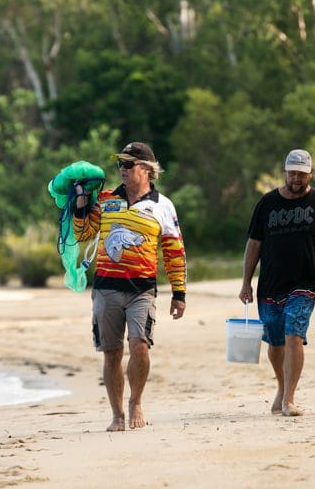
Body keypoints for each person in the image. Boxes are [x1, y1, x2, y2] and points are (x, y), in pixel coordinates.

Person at [73, 141, 187, 431]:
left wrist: (179, 292)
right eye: (119, 165)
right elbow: (84, 233)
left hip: (142, 289)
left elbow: (174, 251)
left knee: (139, 346)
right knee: (111, 353)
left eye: (128, 164)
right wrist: (81, 206)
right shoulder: (107, 198)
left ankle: (136, 401)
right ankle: (116, 415)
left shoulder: (163, 205)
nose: (121, 169)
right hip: (106, 288)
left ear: (147, 169)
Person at [239, 149, 315, 417]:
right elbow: (254, 244)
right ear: (285, 172)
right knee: (275, 341)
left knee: (294, 333)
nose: (296, 179)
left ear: (310, 173)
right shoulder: (267, 203)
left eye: (301, 174)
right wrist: (245, 282)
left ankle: (289, 398)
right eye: (292, 173)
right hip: (270, 285)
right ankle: (282, 388)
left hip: (305, 284)